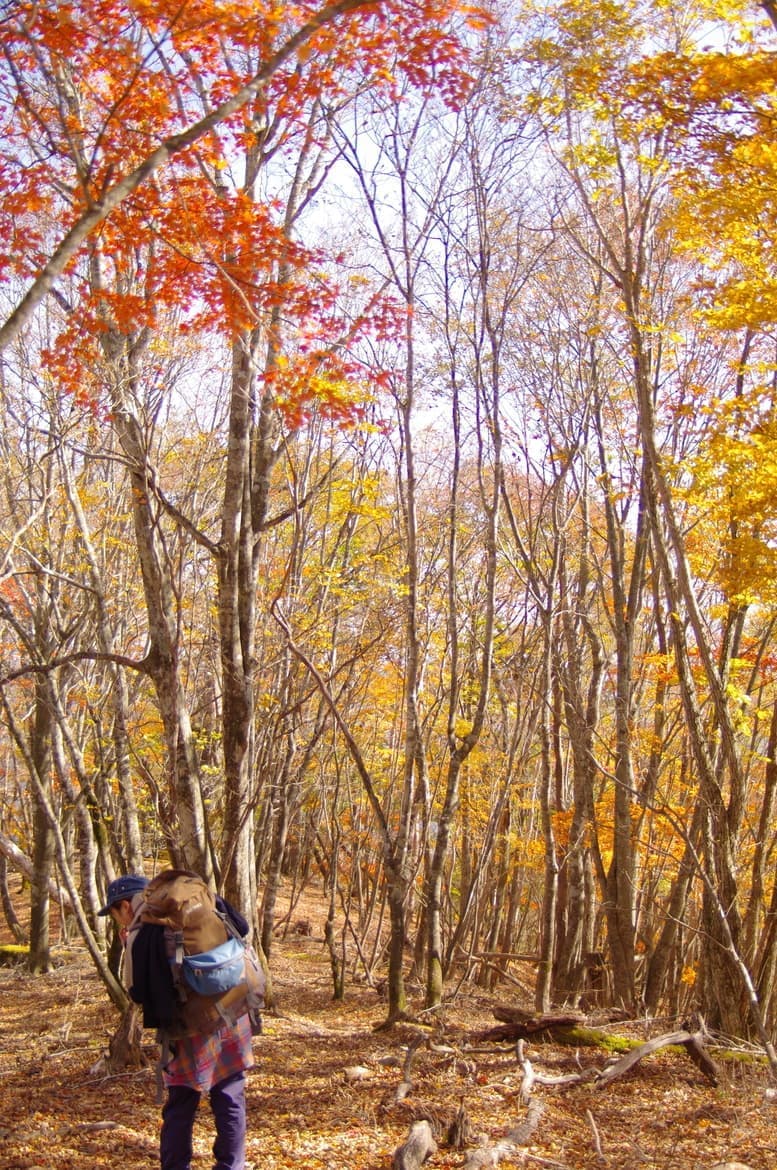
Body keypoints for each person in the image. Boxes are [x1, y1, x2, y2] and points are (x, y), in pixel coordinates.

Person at [99, 874, 254, 1170]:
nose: (117, 920)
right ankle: (232, 1165)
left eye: (115, 913)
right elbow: (242, 929)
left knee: (181, 1104)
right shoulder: (200, 902)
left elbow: (138, 993)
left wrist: (133, 948)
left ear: (125, 906)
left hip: (190, 1028)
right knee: (230, 1093)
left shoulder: (144, 931)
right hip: (234, 1009)